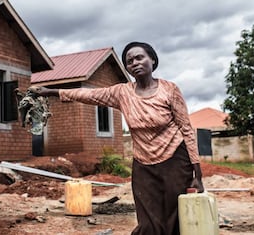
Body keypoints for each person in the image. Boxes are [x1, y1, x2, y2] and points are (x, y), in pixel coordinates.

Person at [28, 41, 204, 235]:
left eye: (140, 57)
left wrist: (198, 174)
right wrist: (52, 92)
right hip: (143, 164)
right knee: (148, 220)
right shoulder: (122, 93)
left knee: (173, 216)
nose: (135, 63)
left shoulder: (169, 90)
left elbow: (186, 129)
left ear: (152, 60)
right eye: (129, 61)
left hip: (175, 161)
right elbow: (88, 94)